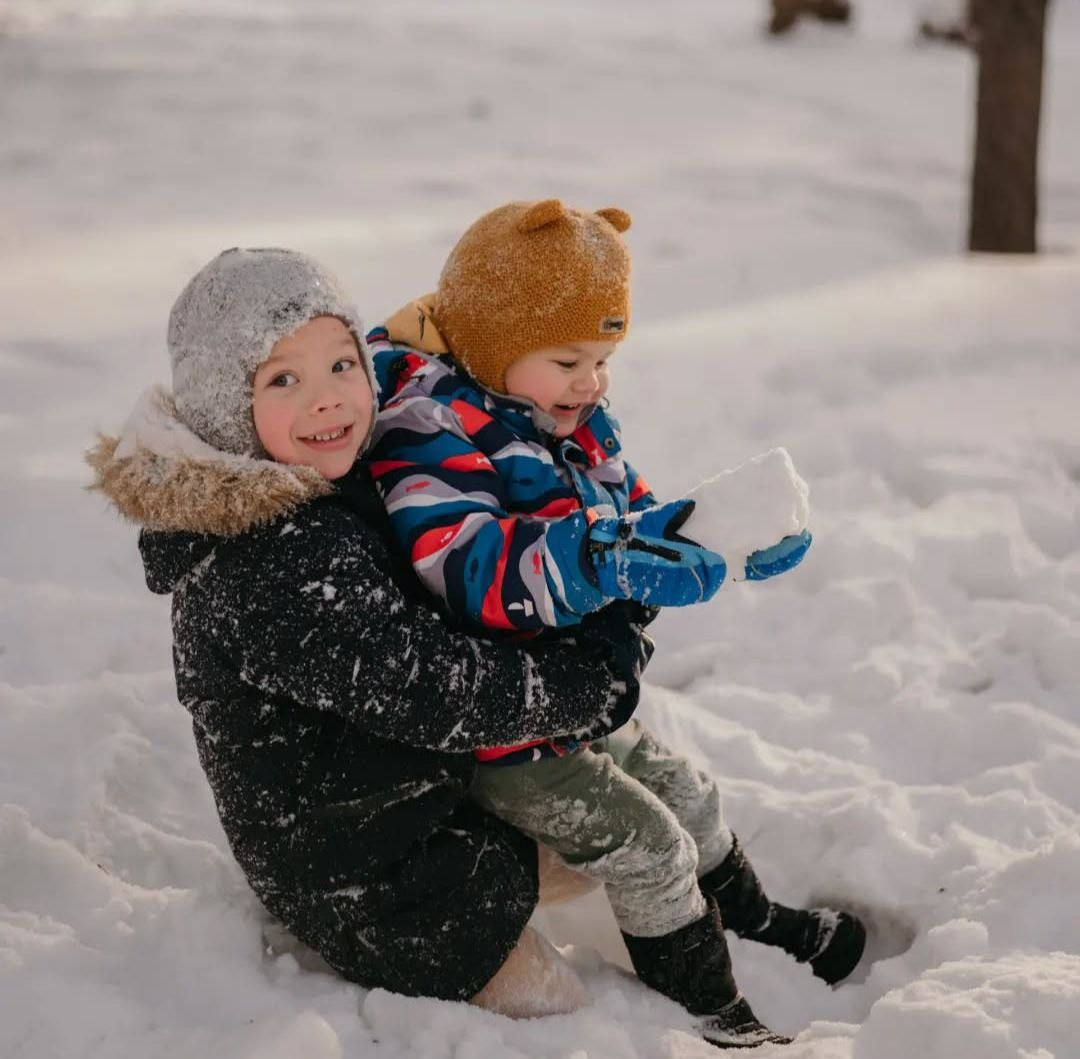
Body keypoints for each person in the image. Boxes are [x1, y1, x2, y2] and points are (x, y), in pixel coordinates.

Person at [86, 247, 657, 1020]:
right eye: (283, 379)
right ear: (228, 408)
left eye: (342, 365)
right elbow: (427, 687)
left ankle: (676, 937)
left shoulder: (338, 480)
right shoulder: (268, 564)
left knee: (603, 839)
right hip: (373, 878)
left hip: (428, 804)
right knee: (559, 1015)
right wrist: (580, 685)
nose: (326, 399)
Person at [365, 200, 867, 1048]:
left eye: (602, 358)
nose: (591, 380)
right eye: (569, 358)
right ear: (493, 341)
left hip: (580, 701)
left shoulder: (566, 417)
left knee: (689, 794)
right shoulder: (429, 427)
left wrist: (718, 537)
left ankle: (749, 920)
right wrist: (599, 558)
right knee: (646, 843)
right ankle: (711, 1009)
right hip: (507, 733)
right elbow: (465, 563)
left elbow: (629, 519)